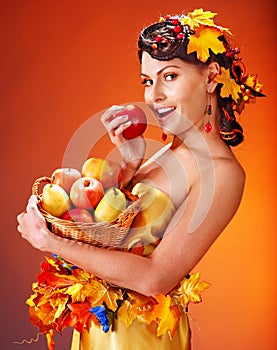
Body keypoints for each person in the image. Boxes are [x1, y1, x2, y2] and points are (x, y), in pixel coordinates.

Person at [17, 8, 264, 350]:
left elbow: (155, 278)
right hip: (102, 329)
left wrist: (53, 243)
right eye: (148, 81)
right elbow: (117, 237)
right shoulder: (169, 152)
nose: (154, 95)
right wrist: (130, 166)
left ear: (211, 77)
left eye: (170, 76)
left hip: (141, 339)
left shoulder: (222, 172)